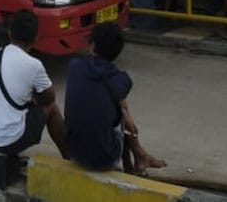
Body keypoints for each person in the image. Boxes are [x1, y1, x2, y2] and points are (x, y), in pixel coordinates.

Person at [64, 22, 166, 175]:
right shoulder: (122, 79)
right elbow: (121, 112)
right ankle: (134, 161)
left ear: (92, 45)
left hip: (73, 151)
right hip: (104, 159)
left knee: (116, 106)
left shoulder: (74, 66)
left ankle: (139, 157)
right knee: (122, 111)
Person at [0, 11, 68, 159]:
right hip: (5, 142)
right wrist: (34, 96)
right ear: (36, 39)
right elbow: (50, 97)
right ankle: (68, 156)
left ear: (10, 33)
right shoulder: (34, 65)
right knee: (51, 108)